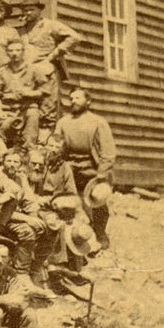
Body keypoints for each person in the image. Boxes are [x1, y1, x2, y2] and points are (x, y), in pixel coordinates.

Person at [52, 88, 117, 249]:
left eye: (78, 98)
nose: (73, 101)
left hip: (92, 168)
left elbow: (108, 152)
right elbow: (55, 146)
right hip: (69, 167)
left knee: (97, 198)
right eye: (71, 98)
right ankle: (71, 238)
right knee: (65, 201)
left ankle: (100, 233)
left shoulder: (98, 122)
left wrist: (101, 174)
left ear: (88, 101)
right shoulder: (63, 122)